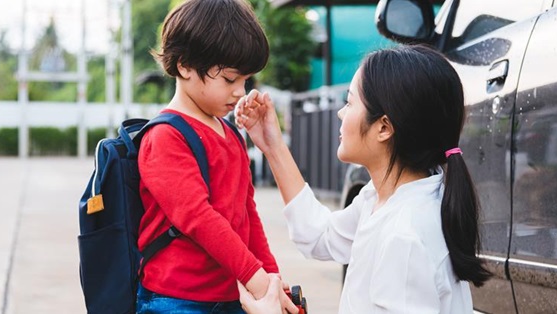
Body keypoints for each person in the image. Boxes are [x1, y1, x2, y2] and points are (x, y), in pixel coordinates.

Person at [235, 44, 492, 313]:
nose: (340, 113)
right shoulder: (388, 198)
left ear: (383, 127)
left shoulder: (403, 238)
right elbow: (318, 235)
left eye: (349, 102)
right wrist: (273, 146)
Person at [136, 0, 297, 313]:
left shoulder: (230, 133)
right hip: (177, 299)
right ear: (184, 65)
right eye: (229, 79)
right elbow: (198, 218)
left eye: (245, 80)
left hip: (230, 295)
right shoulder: (166, 136)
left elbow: (247, 213)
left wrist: (271, 275)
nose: (240, 91)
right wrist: (259, 281)